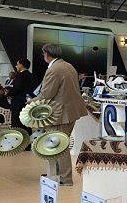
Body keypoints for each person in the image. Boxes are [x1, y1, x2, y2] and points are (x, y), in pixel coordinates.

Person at [33, 44, 88, 186]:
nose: (43, 56)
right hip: (70, 111)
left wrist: (31, 102)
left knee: (59, 145)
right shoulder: (68, 66)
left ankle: (65, 178)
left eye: (43, 54)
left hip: (60, 114)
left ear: (47, 54)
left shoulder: (54, 69)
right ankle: (55, 173)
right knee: (58, 143)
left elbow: (47, 94)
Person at [8, 59, 33, 135]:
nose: (16, 66)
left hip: (18, 104)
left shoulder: (20, 75)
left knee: (17, 125)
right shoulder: (31, 75)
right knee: (27, 124)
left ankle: (18, 141)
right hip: (27, 103)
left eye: (17, 64)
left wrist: (8, 93)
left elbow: (17, 88)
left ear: (21, 65)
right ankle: (28, 141)